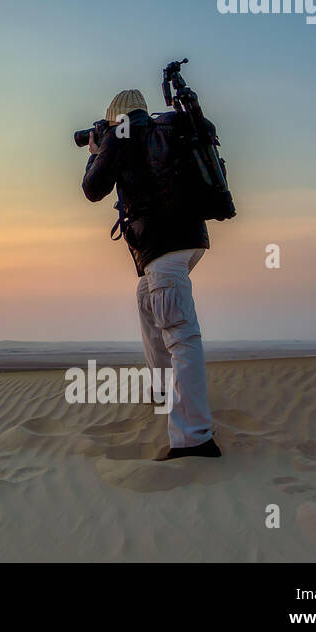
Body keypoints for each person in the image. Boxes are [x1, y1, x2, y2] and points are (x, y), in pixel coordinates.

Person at [82, 89, 222, 460]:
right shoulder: (166, 129)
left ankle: (194, 438)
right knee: (147, 300)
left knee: (179, 334)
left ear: (116, 117)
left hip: (162, 248)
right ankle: (163, 390)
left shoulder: (122, 133)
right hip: (188, 243)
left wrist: (96, 152)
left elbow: (93, 189)